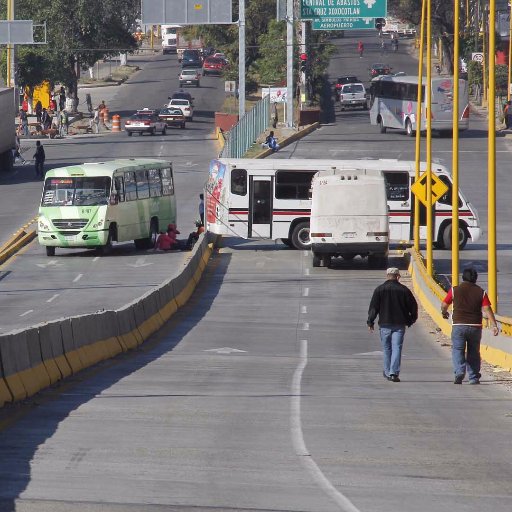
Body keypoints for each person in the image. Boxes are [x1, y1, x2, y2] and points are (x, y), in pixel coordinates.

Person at [441, 267, 499, 385]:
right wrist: (494, 325)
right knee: (474, 352)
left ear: (463, 277)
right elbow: (487, 309)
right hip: (475, 326)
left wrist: (444, 312)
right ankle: (473, 377)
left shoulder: (454, 290)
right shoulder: (480, 292)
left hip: (458, 325)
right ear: (475, 279)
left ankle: (459, 372)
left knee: (458, 349)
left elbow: (444, 304)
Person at [367, 267, 418, 382]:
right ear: (398, 276)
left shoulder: (379, 289)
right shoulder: (404, 290)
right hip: (399, 324)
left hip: (384, 324)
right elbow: (413, 306)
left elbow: (374, 308)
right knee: (397, 348)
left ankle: (387, 371)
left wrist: (370, 321)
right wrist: (411, 319)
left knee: (386, 348)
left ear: (387, 276)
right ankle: (393, 373)